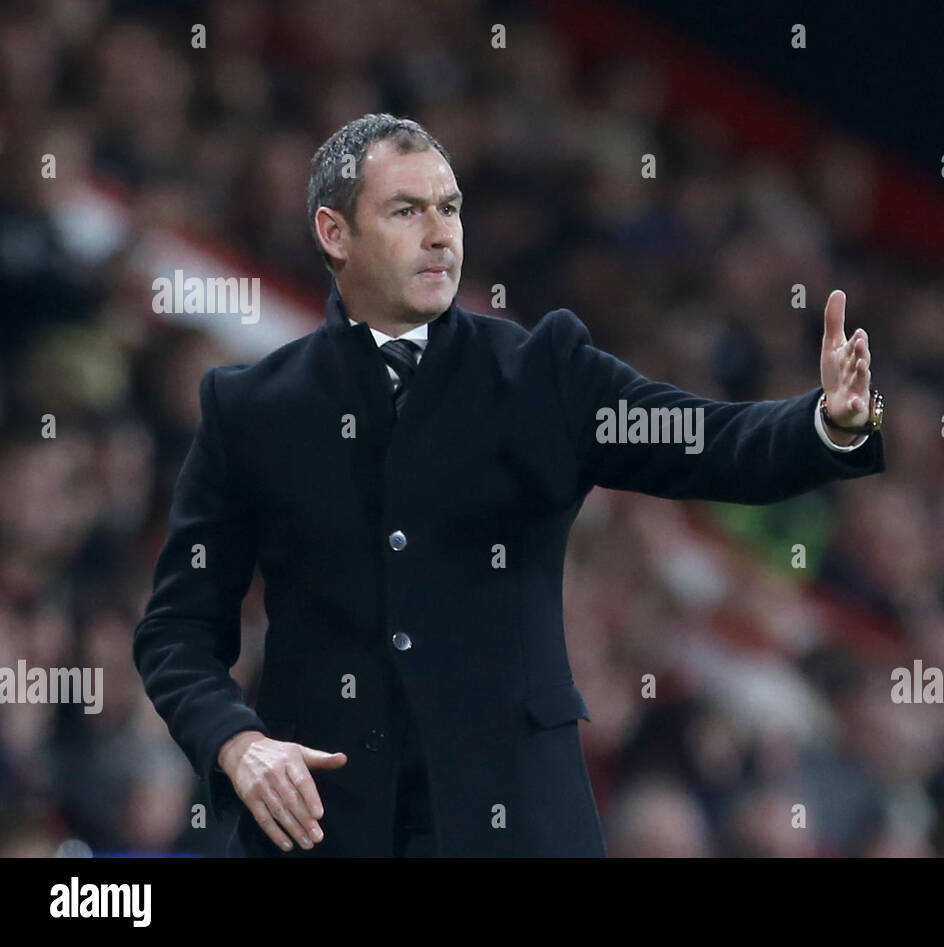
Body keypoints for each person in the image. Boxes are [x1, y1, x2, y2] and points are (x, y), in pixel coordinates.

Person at [132, 113, 886, 857]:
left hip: (514, 821)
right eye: (406, 210)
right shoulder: (252, 408)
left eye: (450, 209)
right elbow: (178, 629)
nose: (440, 233)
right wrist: (235, 741)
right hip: (322, 825)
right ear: (335, 233)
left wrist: (828, 423)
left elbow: (708, 444)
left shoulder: (540, 374)